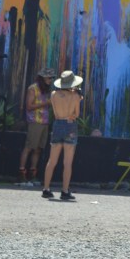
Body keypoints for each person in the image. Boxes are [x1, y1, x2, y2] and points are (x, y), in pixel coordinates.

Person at [42, 70, 83, 201]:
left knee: (52, 160)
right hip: (70, 125)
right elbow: (76, 114)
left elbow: (54, 112)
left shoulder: (53, 94)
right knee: (67, 162)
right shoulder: (75, 96)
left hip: (58, 124)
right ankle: (65, 191)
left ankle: (46, 189)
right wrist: (78, 98)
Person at [18, 67, 55, 185]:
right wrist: (46, 103)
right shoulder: (33, 88)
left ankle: (33, 174)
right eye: (49, 78)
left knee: (38, 149)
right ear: (43, 78)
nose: (51, 80)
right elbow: (29, 106)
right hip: (35, 121)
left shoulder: (47, 90)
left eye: (52, 78)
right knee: (29, 147)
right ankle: (22, 174)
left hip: (44, 122)